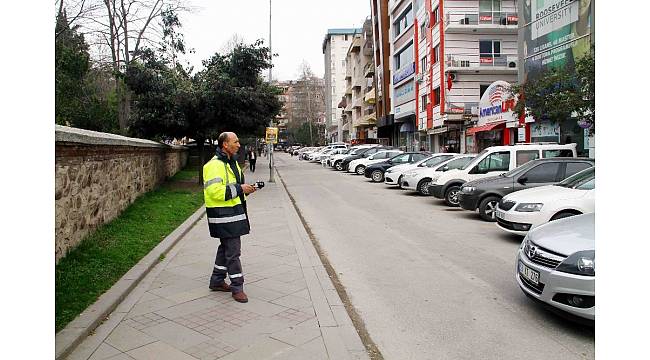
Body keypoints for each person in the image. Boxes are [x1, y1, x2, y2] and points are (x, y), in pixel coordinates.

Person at [203, 132, 257, 303]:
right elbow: (215, 191)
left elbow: (235, 187)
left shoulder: (231, 162)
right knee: (233, 252)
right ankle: (237, 288)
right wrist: (241, 189)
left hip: (232, 214)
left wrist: (246, 189)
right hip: (223, 216)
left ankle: (217, 281)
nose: (239, 144)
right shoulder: (214, 165)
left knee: (225, 248)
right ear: (225, 144)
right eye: (236, 142)